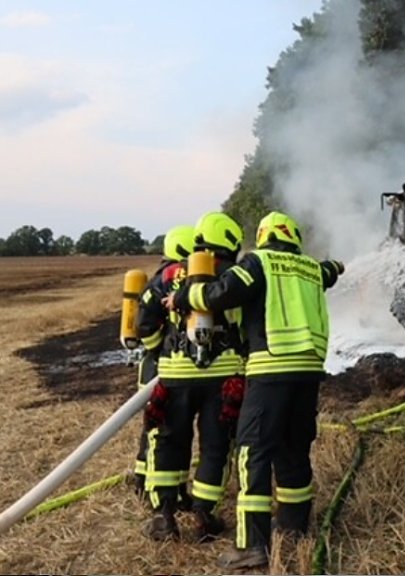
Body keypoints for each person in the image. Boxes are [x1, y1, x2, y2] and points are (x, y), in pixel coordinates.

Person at [167, 211, 344, 569]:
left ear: (262, 237)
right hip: (308, 373)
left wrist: (186, 296)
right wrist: (337, 265)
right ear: (294, 237)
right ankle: (294, 527)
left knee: (253, 452)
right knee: (294, 447)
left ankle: (251, 544)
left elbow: (222, 292)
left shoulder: (259, 261)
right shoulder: (311, 268)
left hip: (270, 370)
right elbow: (331, 271)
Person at [141, 211, 247, 542]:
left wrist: (163, 352)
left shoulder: (170, 273)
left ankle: (164, 516)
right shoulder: (233, 275)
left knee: (168, 440)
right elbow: (244, 325)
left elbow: (144, 322)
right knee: (216, 445)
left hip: (174, 377)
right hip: (223, 379)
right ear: (229, 240)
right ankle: (204, 515)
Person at [133, 224, 196, 502]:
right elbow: (145, 327)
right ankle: (146, 482)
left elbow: (145, 323)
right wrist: (160, 347)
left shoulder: (162, 278)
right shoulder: (181, 278)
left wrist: (158, 347)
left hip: (161, 363)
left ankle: (165, 487)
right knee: (160, 430)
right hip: (159, 366)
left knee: (162, 429)